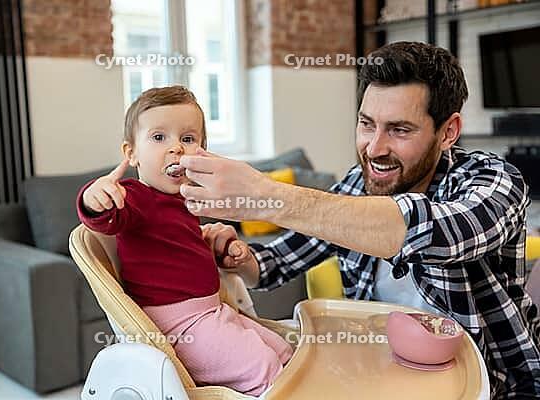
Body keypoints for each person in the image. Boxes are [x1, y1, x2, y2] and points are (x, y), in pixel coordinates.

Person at [179, 42, 540, 398]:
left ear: (448, 131)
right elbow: (276, 264)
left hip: (498, 385)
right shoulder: (355, 184)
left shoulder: (495, 181)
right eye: (367, 124)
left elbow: (424, 229)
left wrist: (266, 196)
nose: (374, 148)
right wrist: (239, 256)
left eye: (399, 130)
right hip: (385, 376)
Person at [76, 86, 292, 396]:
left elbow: (173, 247)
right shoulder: (135, 197)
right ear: (131, 153)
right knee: (263, 367)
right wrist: (94, 198)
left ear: (202, 151)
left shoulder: (184, 199)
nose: (176, 148)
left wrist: (214, 245)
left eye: (187, 139)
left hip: (212, 311)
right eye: (159, 137)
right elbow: (107, 217)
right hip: (179, 326)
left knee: (283, 351)